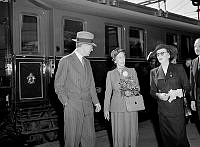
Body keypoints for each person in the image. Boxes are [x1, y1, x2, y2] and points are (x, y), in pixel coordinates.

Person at [54, 31, 101, 147]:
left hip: (88, 107)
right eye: (91, 46)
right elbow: (59, 86)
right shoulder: (66, 61)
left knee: (89, 141)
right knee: (72, 141)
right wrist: (66, 103)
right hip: (73, 107)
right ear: (83, 45)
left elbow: (91, 84)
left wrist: (96, 102)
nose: (92, 49)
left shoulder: (87, 62)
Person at [150, 44, 190, 147]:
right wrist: (158, 95)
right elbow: (152, 91)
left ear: (168, 55)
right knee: (167, 142)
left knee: (180, 140)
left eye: (162, 53)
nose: (159, 56)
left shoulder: (179, 68)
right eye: (158, 54)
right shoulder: (154, 72)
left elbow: (187, 87)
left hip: (177, 112)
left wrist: (177, 93)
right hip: (163, 114)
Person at [104, 47, 140, 147]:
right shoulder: (110, 74)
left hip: (131, 108)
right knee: (119, 134)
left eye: (123, 57)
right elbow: (108, 93)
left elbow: (137, 88)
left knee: (131, 133)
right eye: (119, 57)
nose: (122, 59)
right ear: (114, 60)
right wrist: (106, 109)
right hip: (116, 109)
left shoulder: (132, 71)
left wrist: (131, 91)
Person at [190, 38, 200, 123]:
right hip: (198, 95)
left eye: (199, 46)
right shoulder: (193, 62)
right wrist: (192, 99)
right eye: (195, 46)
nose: (196, 48)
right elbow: (192, 82)